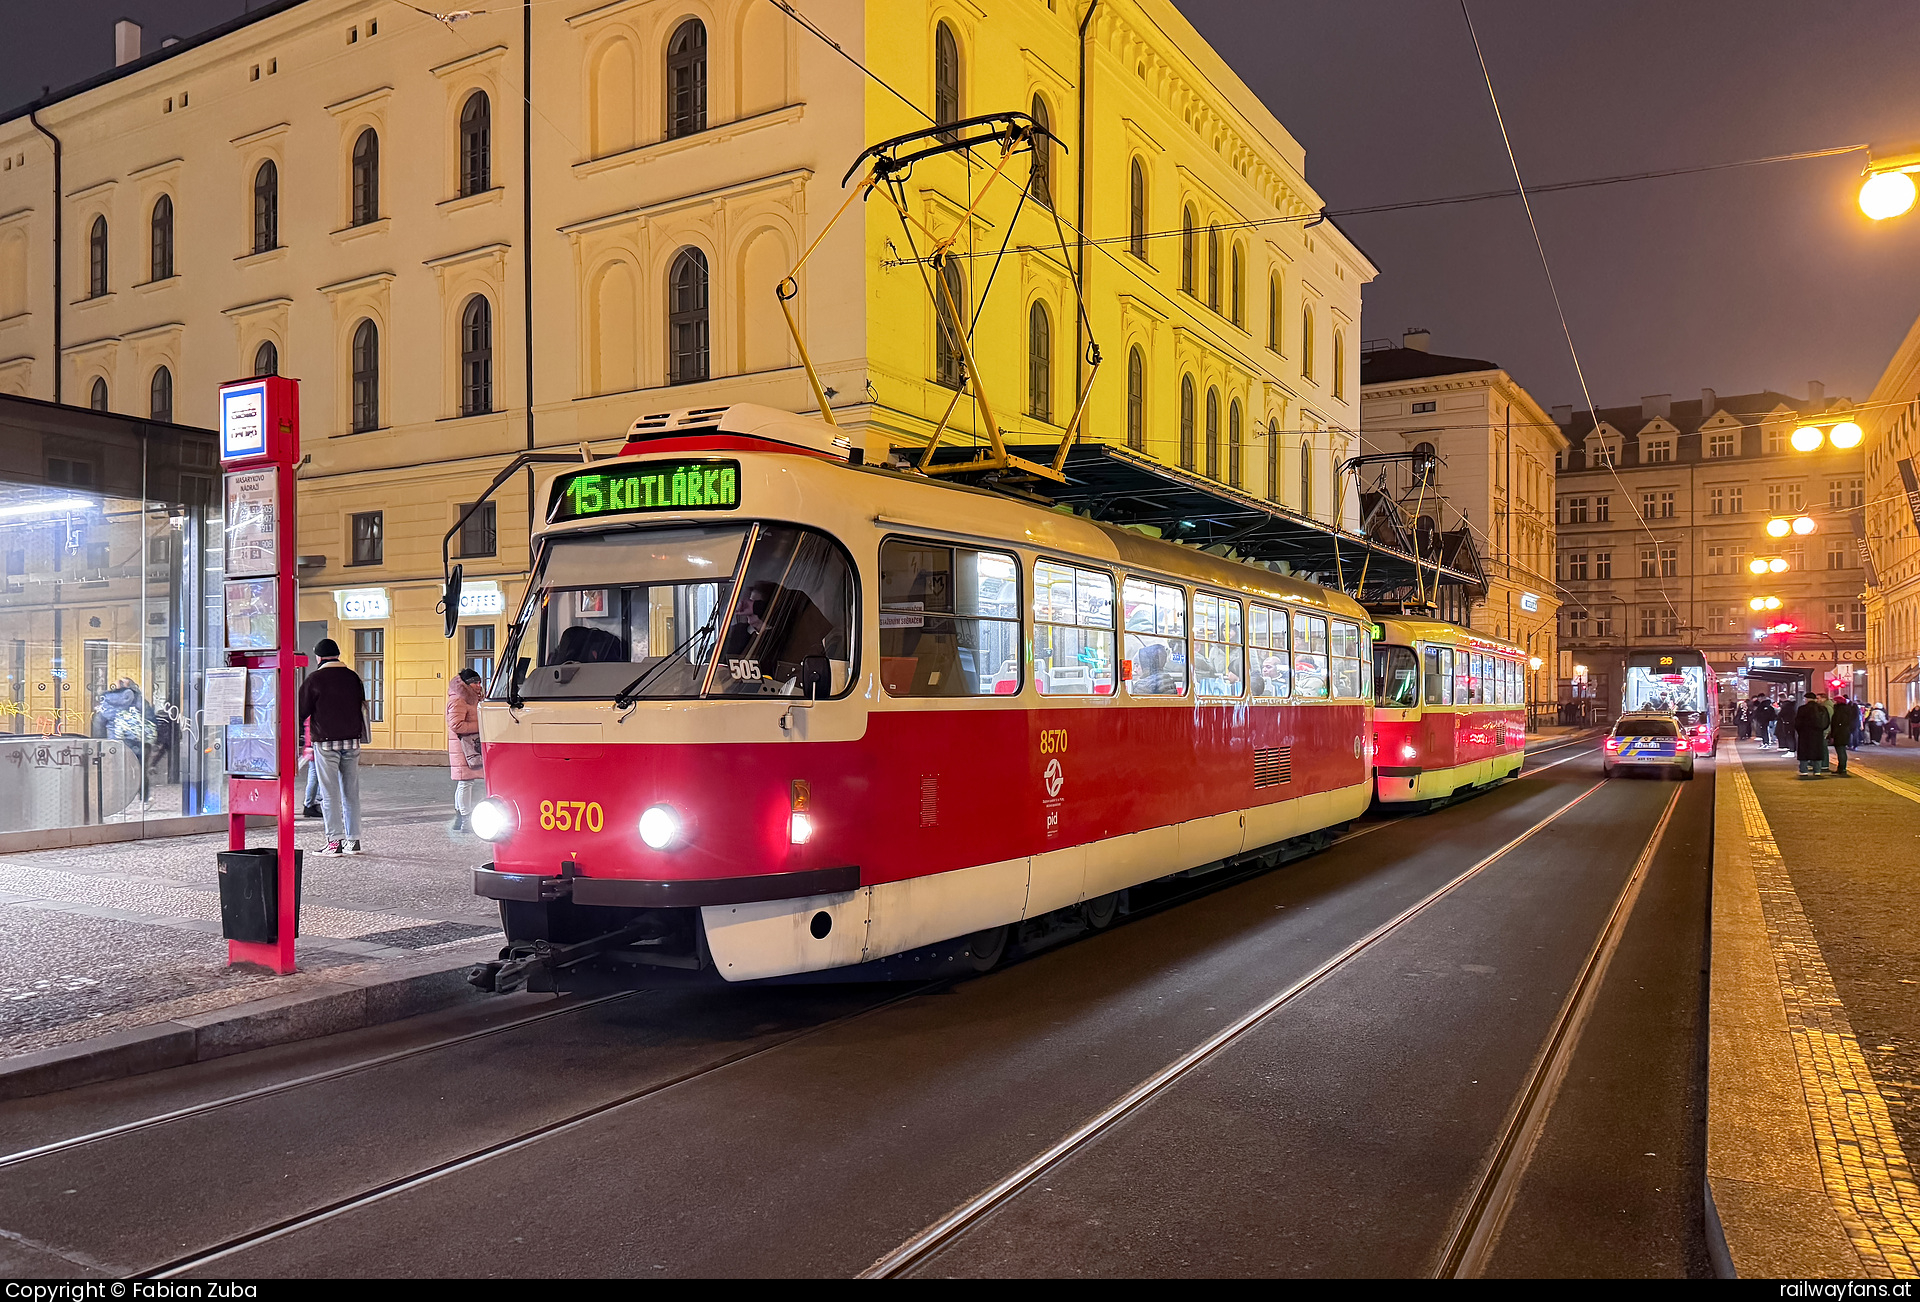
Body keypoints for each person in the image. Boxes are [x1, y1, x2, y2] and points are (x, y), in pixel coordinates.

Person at [297, 638, 368, 855]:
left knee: (329, 794)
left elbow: (301, 711)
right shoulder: (353, 677)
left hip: (326, 744)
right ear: (337, 655)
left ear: (318, 657)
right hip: (352, 742)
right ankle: (353, 841)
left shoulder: (315, 679)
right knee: (351, 792)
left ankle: (334, 842)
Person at [446, 668, 484, 832]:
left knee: (465, 782)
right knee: (465, 782)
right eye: (475, 682)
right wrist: (481, 727)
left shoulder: (471, 698)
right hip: (463, 747)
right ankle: (465, 820)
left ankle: (459, 818)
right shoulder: (459, 700)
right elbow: (456, 725)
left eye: (479, 682)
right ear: (467, 684)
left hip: (468, 745)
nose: (479, 685)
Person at [1794, 695, 1830, 777]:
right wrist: (1822, 730)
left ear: (1807, 699)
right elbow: (1826, 722)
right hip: (1818, 734)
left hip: (1804, 734)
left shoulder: (1802, 709)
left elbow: (1797, 723)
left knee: (1804, 752)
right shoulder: (1822, 709)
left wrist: (1800, 731)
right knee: (1817, 751)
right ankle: (1817, 770)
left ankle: (1803, 770)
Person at [1829, 693, 1861, 775]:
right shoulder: (1846, 709)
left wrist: (1833, 735)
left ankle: (1841, 769)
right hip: (1844, 732)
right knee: (1842, 750)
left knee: (1840, 751)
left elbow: (1836, 723)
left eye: (1834, 701)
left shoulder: (1839, 711)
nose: (1833, 703)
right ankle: (1841, 768)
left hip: (1839, 733)